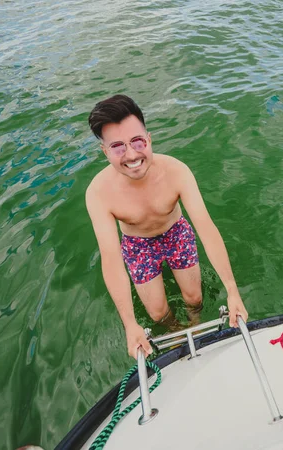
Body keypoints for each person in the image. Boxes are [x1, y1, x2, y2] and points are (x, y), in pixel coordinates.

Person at [86, 95, 248, 358]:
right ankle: (175, 335)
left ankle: (195, 329)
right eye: (117, 147)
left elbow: (205, 227)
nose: (131, 154)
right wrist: (130, 325)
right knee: (157, 313)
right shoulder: (98, 192)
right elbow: (111, 257)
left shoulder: (177, 171)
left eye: (137, 141)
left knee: (194, 298)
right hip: (137, 244)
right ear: (105, 152)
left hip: (176, 233)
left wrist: (232, 290)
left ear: (148, 139)